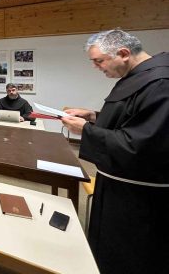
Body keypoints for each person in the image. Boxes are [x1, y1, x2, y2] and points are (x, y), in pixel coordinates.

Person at [61, 29, 169, 274]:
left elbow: (141, 144)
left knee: (128, 255)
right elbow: (131, 118)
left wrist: (86, 130)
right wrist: (93, 116)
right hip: (116, 183)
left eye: (99, 61)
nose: (96, 67)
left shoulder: (160, 83)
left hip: (139, 196)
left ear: (123, 53)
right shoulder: (139, 76)